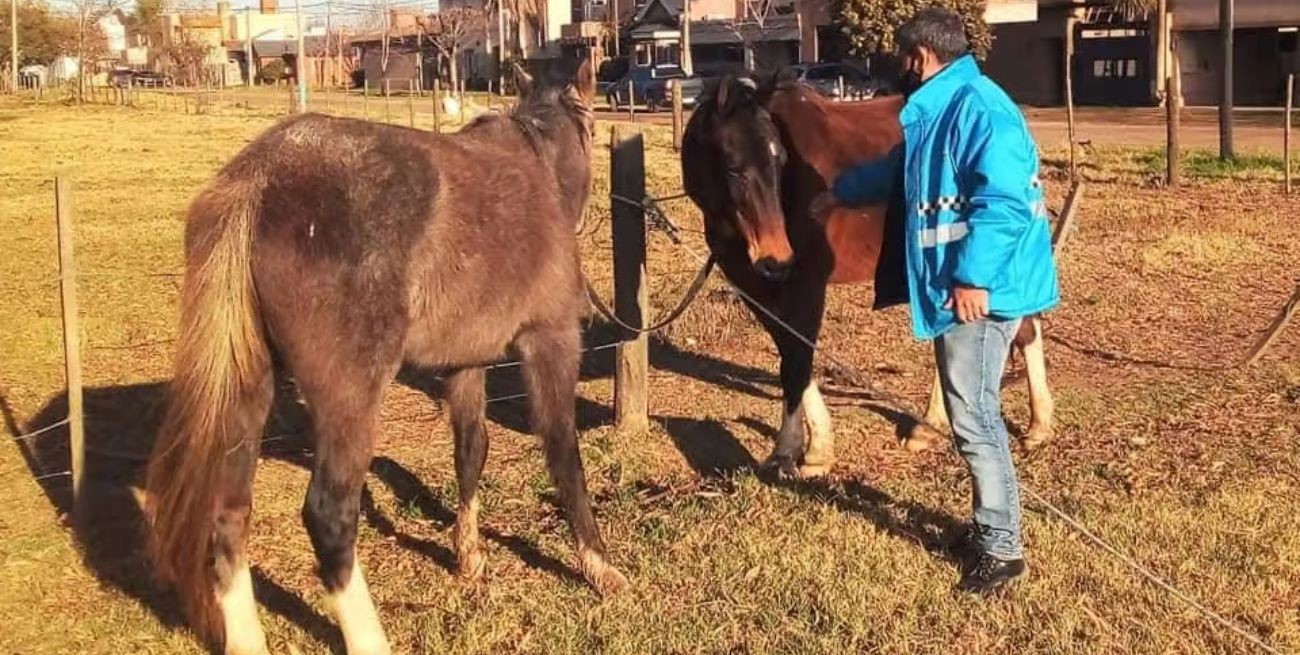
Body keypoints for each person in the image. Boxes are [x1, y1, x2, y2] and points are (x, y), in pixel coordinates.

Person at [814, 7, 1060, 595]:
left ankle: (1002, 549)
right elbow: (902, 172)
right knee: (970, 410)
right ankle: (986, 527)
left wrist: (973, 279)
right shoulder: (942, 108)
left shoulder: (980, 110)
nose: (898, 68)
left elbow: (1000, 203)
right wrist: (838, 194)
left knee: (974, 418)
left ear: (920, 56)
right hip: (960, 286)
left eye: (902, 58)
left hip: (982, 292)